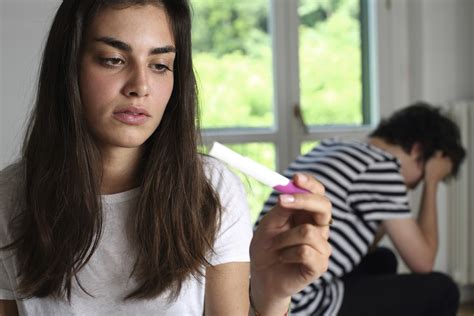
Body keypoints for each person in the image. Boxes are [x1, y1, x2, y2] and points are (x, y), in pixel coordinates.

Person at [0, 1, 333, 315]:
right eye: (113, 59)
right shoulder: (9, 198)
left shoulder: (211, 190)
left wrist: (271, 295)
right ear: (68, 65)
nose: (140, 86)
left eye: (159, 65)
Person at [256, 102, 466, 316]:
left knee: (383, 259)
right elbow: (423, 263)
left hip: (260, 286)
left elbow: (362, 245)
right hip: (297, 304)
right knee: (443, 290)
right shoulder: (383, 168)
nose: (412, 187)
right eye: (419, 180)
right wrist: (431, 183)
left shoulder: (332, 147)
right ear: (417, 149)